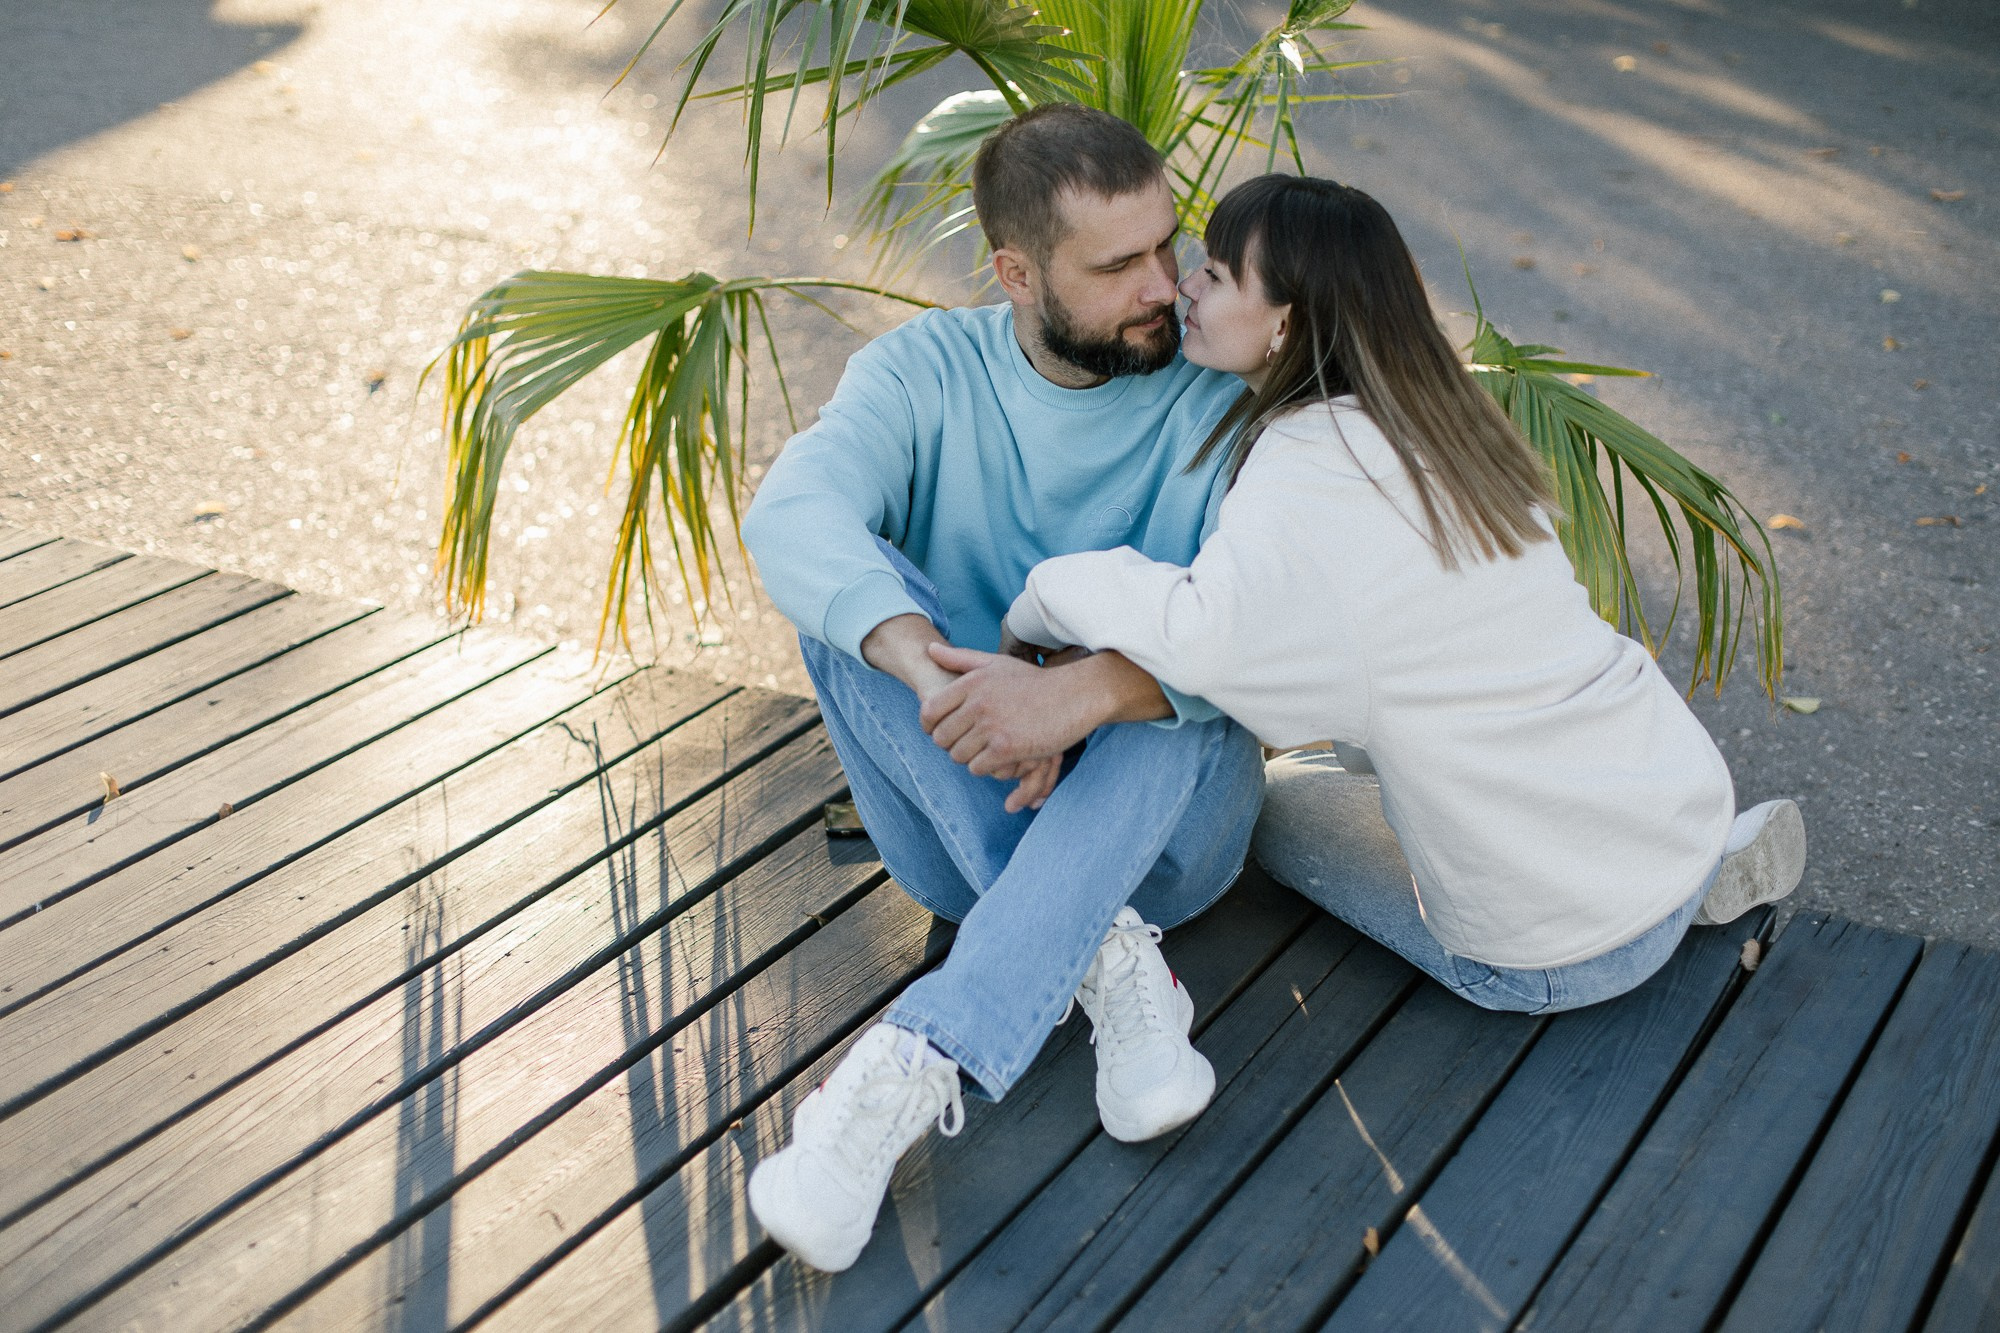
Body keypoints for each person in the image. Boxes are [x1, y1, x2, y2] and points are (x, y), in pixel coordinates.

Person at [934, 172, 1806, 1025]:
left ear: (1286, 323)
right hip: (1676, 807)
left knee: (1278, 802)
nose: (1181, 285)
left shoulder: (1307, 472)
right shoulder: (1446, 423)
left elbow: (1203, 640)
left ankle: (1641, 901)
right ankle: (1698, 880)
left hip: (1553, 954)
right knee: (1372, 732)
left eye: (1217, 273)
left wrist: (1038, 600)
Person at [737, 105, 1268, 1274]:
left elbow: (1273, 634)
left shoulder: (1217, 390)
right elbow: (789, 515)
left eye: (1166, 246)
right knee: (850, 607)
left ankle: (902, 1069)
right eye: (1118, 263)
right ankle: (1109, 961)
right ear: (1016, 273)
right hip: (962, 818)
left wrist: (1074, 700)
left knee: (1189, 666)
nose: (1164, 285)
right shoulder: (925, 371)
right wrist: (946, 679)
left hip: (1173, 836)